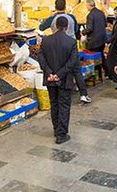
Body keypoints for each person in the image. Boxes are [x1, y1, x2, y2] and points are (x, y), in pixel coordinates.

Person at [38, 16, 79, 144]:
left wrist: (50, 73)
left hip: (50, 79)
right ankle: (61, 134)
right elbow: (72, 62)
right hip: (64, 79)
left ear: (55, 26)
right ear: (67, 27)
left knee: (54, 104)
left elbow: (41, 58)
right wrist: (59, 74)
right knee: (64, 105)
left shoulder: (46, 41)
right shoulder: (71, 42)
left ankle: (56, 129)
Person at [82, 0, 107, 87]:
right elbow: (105, 25)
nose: (86, 7)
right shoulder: (101, 12)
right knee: (101, 56)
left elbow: (89, 28)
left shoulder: (90, 15)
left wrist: (83, 32)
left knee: (93, 60)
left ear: (89, 5)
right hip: (102, 39)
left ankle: (94, 76)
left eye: (86, 5)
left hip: (94, 41)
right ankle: (106, 72)